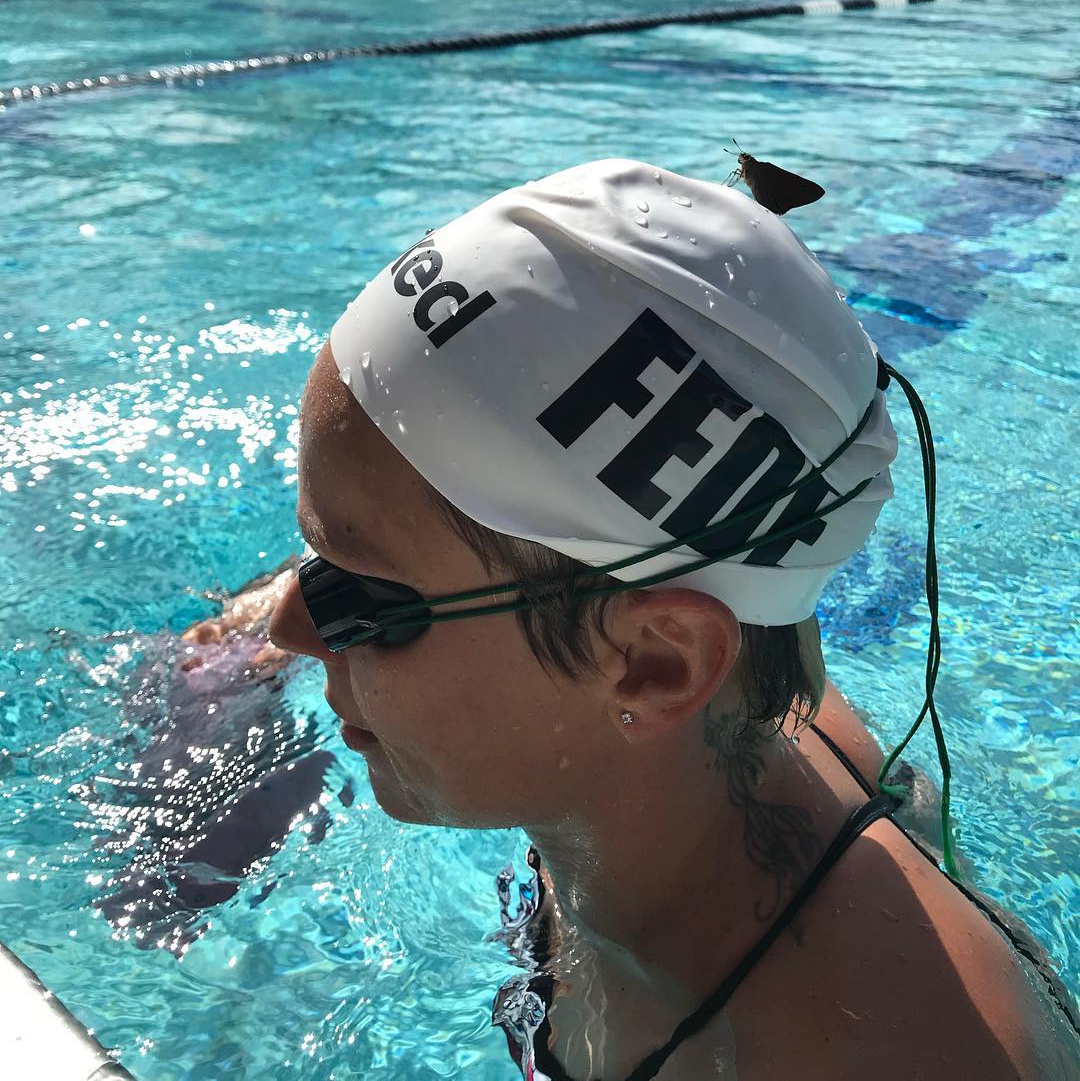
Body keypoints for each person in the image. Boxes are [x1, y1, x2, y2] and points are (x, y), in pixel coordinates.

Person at [265, 160, 1079, 1079]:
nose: (288, 626)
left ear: (655, 665)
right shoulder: (710, 705)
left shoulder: (859, 1056)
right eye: (313, 560)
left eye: (361, 601)